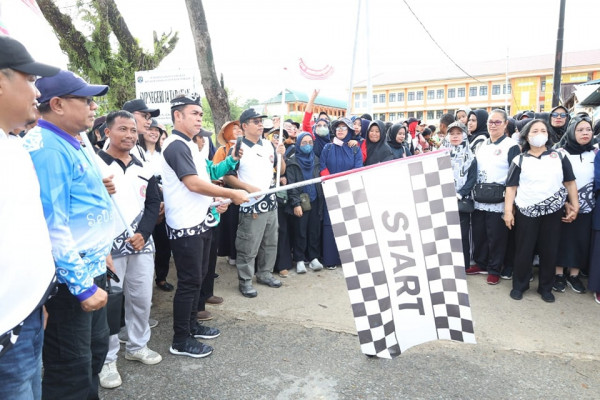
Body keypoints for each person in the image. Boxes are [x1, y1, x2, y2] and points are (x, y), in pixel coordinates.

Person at [23, 69, 113, 399]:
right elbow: (52, 225)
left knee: (93, 354)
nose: (94, 107)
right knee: (70, 371)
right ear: (58, 104)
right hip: (69, 283)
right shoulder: (48, 148)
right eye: (86, 100)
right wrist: (82, 286)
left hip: (91, 269)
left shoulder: (70, 141)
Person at [161, 94, 249, 357]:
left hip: (200, 222)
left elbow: (206, 177)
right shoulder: (175, 146)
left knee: (197, 279)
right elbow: (192, 183)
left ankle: (192, 326)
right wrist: (231, 193)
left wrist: (217, 195)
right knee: (188, 282)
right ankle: (180, 339)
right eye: (194, 113)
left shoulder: (192, 146)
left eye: (201, 114)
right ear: (178, 116)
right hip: (185, 226)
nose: (200, 119)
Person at [0, 35, 59, 400]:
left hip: (28, 316)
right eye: (31, 79)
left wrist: (37, 300)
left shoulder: (13, 145)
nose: (38, 92)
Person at [97, 111, 162, 389]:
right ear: (107, 132)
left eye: (133, 130)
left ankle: (137, 346)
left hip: (140, 245)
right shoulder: (94, 164)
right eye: (122, 129)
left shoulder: (143, 166)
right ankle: (107, 359)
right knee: (110, 304)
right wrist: (97, 189)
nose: (130, 135)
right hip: (108, 248)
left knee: (141, 298)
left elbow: (153, 203)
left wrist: (143, 234)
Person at [504, 119, 578, 302]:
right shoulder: (520, 159)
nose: (539, 134)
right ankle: (519, 285)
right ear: (526, 136)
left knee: (549, 250)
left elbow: (570, 182)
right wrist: (508, 211)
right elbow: (511, 188)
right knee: (524, 250)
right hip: (526, 211)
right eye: (534, 131)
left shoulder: (559, 156)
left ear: (548, 134)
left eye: (543, 130)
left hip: (553, 211)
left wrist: (575, 205)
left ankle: (546, 287)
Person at [223, 108, 286, 297]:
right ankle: (245, 280)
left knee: (270, 242)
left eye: (261, 121)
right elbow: (227, 177)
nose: (260, 124)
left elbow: (281, 170)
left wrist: (281, 155)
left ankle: (265, 273)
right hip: (251, 205)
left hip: (271, 202)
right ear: (244, 125)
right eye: (255, 121)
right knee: (248, 244)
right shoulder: (238, 148)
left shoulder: (268, 145)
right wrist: (248, 188)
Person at [468, 109, 520, 285]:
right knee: (480, 234)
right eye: (491, 121)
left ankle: (494, 268)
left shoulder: (511, 146)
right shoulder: (482, 144)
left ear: (505, 124)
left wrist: (511, 205)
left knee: (497, 237)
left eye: (498, 122)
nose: (493, 125)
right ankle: (481, 263)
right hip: (480, 197)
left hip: (499, 199)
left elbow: (515, 176)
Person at [554, 116, 595, 294]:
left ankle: (574, 275)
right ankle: (558, 274)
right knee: (561, 239)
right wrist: (565, 202)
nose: (585, 133)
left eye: (588, 130)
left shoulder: (595, 153)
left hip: (588, 207)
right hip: (564, 206)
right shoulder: (560, 153)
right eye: (580, 130)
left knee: (581, 240)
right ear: (571, 132)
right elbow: (554, 180)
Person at [320, 118, 363, 269]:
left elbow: (358, 168)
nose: (340, 130)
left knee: (348, 224)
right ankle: (330, 259)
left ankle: (348, 259)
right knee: (330, 224)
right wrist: (331, 183)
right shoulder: (328, 148)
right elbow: (322, 166)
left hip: (348, 191)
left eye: (344, 128)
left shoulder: (355, 149)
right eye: (338, 128)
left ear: (349, 131)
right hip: (330, 191)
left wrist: (344, 185)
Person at [286, 132, 324, 273]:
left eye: (310, 142)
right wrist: (296, 203)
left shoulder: (316, 159)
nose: (307, 145)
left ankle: (313, 258)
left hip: (315, 200)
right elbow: (291, 185)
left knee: (314, 230)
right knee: (300, 231)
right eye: (304, 143)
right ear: (298, 144)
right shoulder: (292, 162)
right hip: (300, 202)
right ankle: (300, 259)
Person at [444, 121, 477, 271]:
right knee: (445, 234)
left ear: (464, 135)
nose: (455, 136)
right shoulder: (441, 154)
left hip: (461, 201)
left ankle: (462, 266)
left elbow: (472, 179)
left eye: (458, 133)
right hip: (443, 200)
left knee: (462, 235)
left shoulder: (471, 156)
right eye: (452, 133)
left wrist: (459, 194)